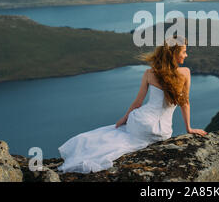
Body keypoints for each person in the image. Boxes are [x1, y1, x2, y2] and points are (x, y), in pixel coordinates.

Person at [57, 35, 207, 174]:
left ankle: (81, 149)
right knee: (124, 139)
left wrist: (125, 118)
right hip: (162, 132)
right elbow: (185, 103)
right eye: (184, 52)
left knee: (115, 134)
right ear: (174, 53)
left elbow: (138, 102)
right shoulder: (185, 73)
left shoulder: (150, 73)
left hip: (141, 122)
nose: (186, 55)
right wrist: (189, 128)